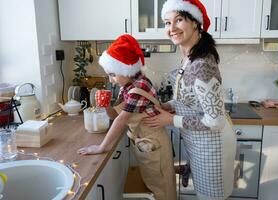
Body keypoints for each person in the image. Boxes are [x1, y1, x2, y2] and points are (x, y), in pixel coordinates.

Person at [143, 0, 237, 199]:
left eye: (179, 20)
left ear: (195, 22)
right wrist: (167, 106)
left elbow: (215, 120)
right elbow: (189, 99)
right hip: (199, 144)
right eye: (168, 23)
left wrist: (171, 120)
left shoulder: (201, 64)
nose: (172, 28)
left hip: (212, 148)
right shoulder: (189, 57)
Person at [77, 34, 176, 200]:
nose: (111, 80)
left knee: (163, 190)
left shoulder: (140, 86)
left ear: (125, 69)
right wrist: (105, 105)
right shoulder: (128, 85)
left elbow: (121, 119)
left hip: (155, 144)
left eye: (113, 74)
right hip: (146, 143)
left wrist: (102, 147)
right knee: (155, 186)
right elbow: (115, 114)